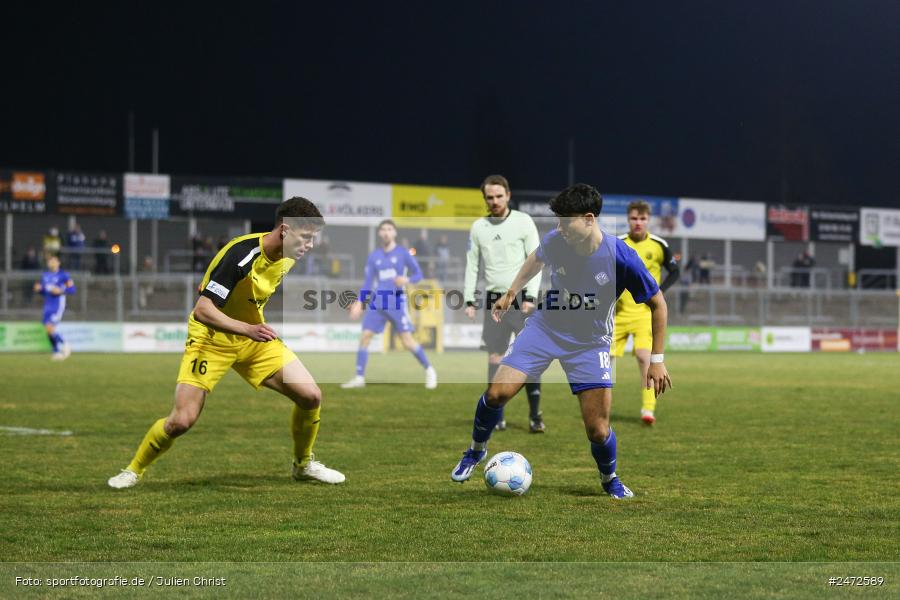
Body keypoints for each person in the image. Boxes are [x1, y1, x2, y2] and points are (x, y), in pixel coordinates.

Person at [450, 184, 672, 498]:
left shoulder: (621, 257)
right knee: (497, 393)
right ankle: (475, 450)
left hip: (590, 343)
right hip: (545, 328)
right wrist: (511, 293)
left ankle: (610, 479)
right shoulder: (558, 240)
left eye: (566, 221)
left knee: (598, 430)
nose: (559, 228)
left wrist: (657, 360)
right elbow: (535, 259)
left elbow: (658, 304)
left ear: (589, 219)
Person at [108, 197, 345, 489]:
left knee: (311, 396)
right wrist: (247, 328)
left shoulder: (288, 256)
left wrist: (250, 327)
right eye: (306, 237)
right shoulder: (240, 254)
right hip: (211, 338)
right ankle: (133, 470)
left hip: (252, 339)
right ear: (285, 230)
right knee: (182, 421)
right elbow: (203, 310)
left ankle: (303, 465)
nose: (311, 244)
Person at [464, 174, 544, 433]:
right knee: (495, 356)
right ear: (485, 199)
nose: (495, 201)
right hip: (492, 300)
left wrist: (530, 296)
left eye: (499, 196)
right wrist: (469, 299)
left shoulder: (523, 221)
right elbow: (472, 264)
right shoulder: (478, 227)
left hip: (521, 299)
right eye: (490, 197)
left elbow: (537, 259)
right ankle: (496, 414)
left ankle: (535, 415)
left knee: (529, 357)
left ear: (508, 195)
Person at [341, 219, 437, 390]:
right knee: (365, 336)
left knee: (407, 341)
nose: (386, 232)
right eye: (383, 229)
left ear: (394, 233)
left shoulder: (403, 253)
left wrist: (406, 279)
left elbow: (418, 274)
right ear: (379, 233)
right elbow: (368, 283)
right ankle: (359, 377)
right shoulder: (374, 256)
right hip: (378, 302)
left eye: (389, 229)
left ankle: (430, 370)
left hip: (396, 302)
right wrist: (359, 302)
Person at [613, 201, 679, 425]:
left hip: (644, 314)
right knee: (604, 362)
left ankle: (648, 409)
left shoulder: (659, 245)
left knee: (644, 357)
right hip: (618, 313)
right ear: (628, 220)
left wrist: (660, 292)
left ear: (648, 220)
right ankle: (601, 409)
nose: (638, 223)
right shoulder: (618, 244)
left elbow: (675, 271)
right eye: (634, 218)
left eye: (642, 219)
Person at [34, 254, 76, 361]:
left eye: (54, 261)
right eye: (50, 261)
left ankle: (65, 343)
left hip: (57, 305)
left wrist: (61, 291)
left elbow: (72, 289)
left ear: (58, 263)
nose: (51, 263)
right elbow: (45, 291)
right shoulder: (45, 276)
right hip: (47, 305)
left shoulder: (64, 275)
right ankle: (56, 352)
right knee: (48, 329)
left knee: (49, 327)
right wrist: (39, 290)